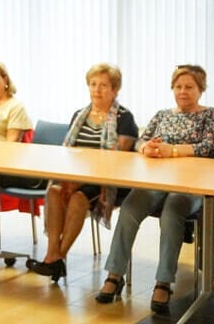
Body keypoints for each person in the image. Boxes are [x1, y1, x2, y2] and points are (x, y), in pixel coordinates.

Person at [96, 65, 214, 313]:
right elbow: (141, 140)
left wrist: (172, 151)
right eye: (178, 87)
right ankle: (115, 274)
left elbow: (210, 147)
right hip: (156, 180)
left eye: (189, 87)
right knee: (130, 208)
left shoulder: (212, 115)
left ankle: (163, 281)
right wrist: (147, 148)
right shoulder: (163, 114)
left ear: (201, 89)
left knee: (172, 212)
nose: (183, 91)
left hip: (192, 184)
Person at [30, 63, 138, 281]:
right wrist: (70, 177)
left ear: (115, 89)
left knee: (79, 199)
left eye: (104, 85)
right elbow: (68, 153)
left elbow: (115, 158)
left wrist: (78, 181)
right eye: (93, 84)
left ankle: (57, 259)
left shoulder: (124, 118)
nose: (97, 90)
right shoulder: (80, 115)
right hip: (73, 174)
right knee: (53, 192)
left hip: (105, 181)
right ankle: (53, 255)